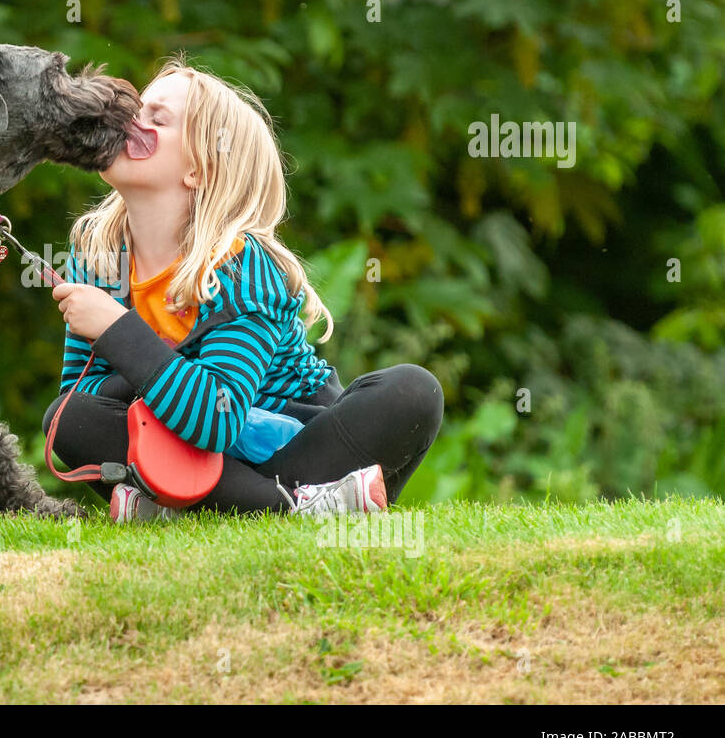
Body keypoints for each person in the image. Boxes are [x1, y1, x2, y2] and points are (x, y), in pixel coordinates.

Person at [42, 56, 444, 523]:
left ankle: (220, 506)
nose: (131, 122)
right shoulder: (98, 258)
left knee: (413, 391)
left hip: (298, 440)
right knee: (64, 419)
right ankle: (303, 508)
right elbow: (83, 396)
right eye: (136, 111)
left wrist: (121, 333)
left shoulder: (244, 267)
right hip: (184, 451)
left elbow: (219, 418)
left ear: (199, 170)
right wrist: (159, 375)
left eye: (157, 119)